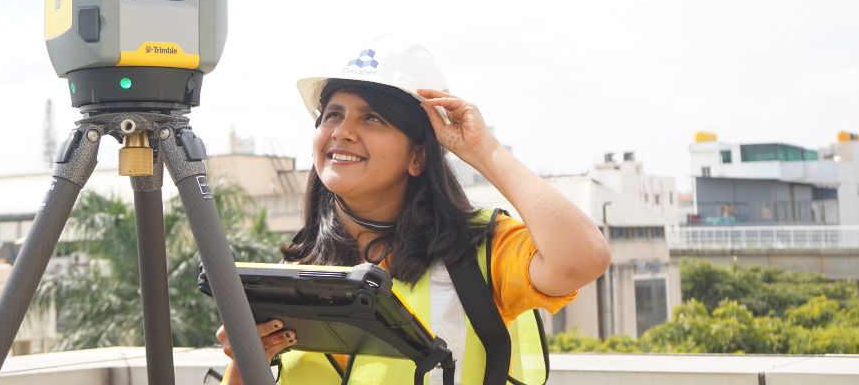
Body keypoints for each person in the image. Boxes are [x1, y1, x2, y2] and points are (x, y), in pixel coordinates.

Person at [217, 39, 611, 384]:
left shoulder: (478, 253)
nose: (342, 130)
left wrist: (481, 149)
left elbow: (584, 257)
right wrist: (246, 361)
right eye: (333, 114)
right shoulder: (296, 276)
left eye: (372, 117)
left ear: (418, 157)